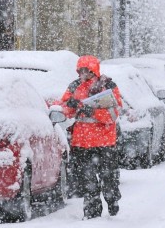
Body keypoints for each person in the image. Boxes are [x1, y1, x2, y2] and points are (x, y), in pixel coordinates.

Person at [60, 55, 123, 219]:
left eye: (86, 71)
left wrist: (94, 112)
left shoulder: (107, 85)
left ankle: (112, 199)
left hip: (105, 140)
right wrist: (70, 105)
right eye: (80, 71)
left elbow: (114, 113)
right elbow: (63, 109)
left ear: (93, 70)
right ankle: (92, 212)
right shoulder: (74, 86)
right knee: (87, 180)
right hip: (82, 141)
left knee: (108, 176)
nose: (83, 74)